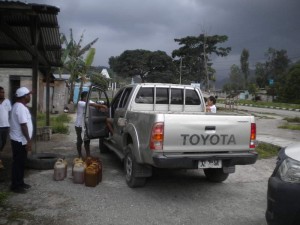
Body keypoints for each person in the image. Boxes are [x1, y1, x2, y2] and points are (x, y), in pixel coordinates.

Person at [75, 91, 113, 158]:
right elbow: (91, 104)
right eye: (87, 96)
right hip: (79, 125)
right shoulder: (80, 103)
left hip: (85, 125)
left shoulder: (88, 101)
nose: (88, 98)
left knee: (87, 140)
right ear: (84, 97)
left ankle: (88, 155)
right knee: (79, 140)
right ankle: (80, 155)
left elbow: (95, 103)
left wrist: (101, 106)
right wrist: (101, 106)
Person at [9, 87, 33, 193]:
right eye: (28, 95)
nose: (30, 96)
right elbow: (23, 125)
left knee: (21, 162)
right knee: (18, 163)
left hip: (19, 139)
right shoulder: (20, 108)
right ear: (24, 97)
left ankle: (20, 182)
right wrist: (29, 140)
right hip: (19, 140)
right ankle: (15, 186)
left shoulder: (18, 106)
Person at [0, 87, 12, 170]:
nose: (3, 93)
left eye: (3, 92)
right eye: (1, 92)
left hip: (5, 126)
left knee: (3, 143)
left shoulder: (7, 101)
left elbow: (9, 112)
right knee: (0, 143)